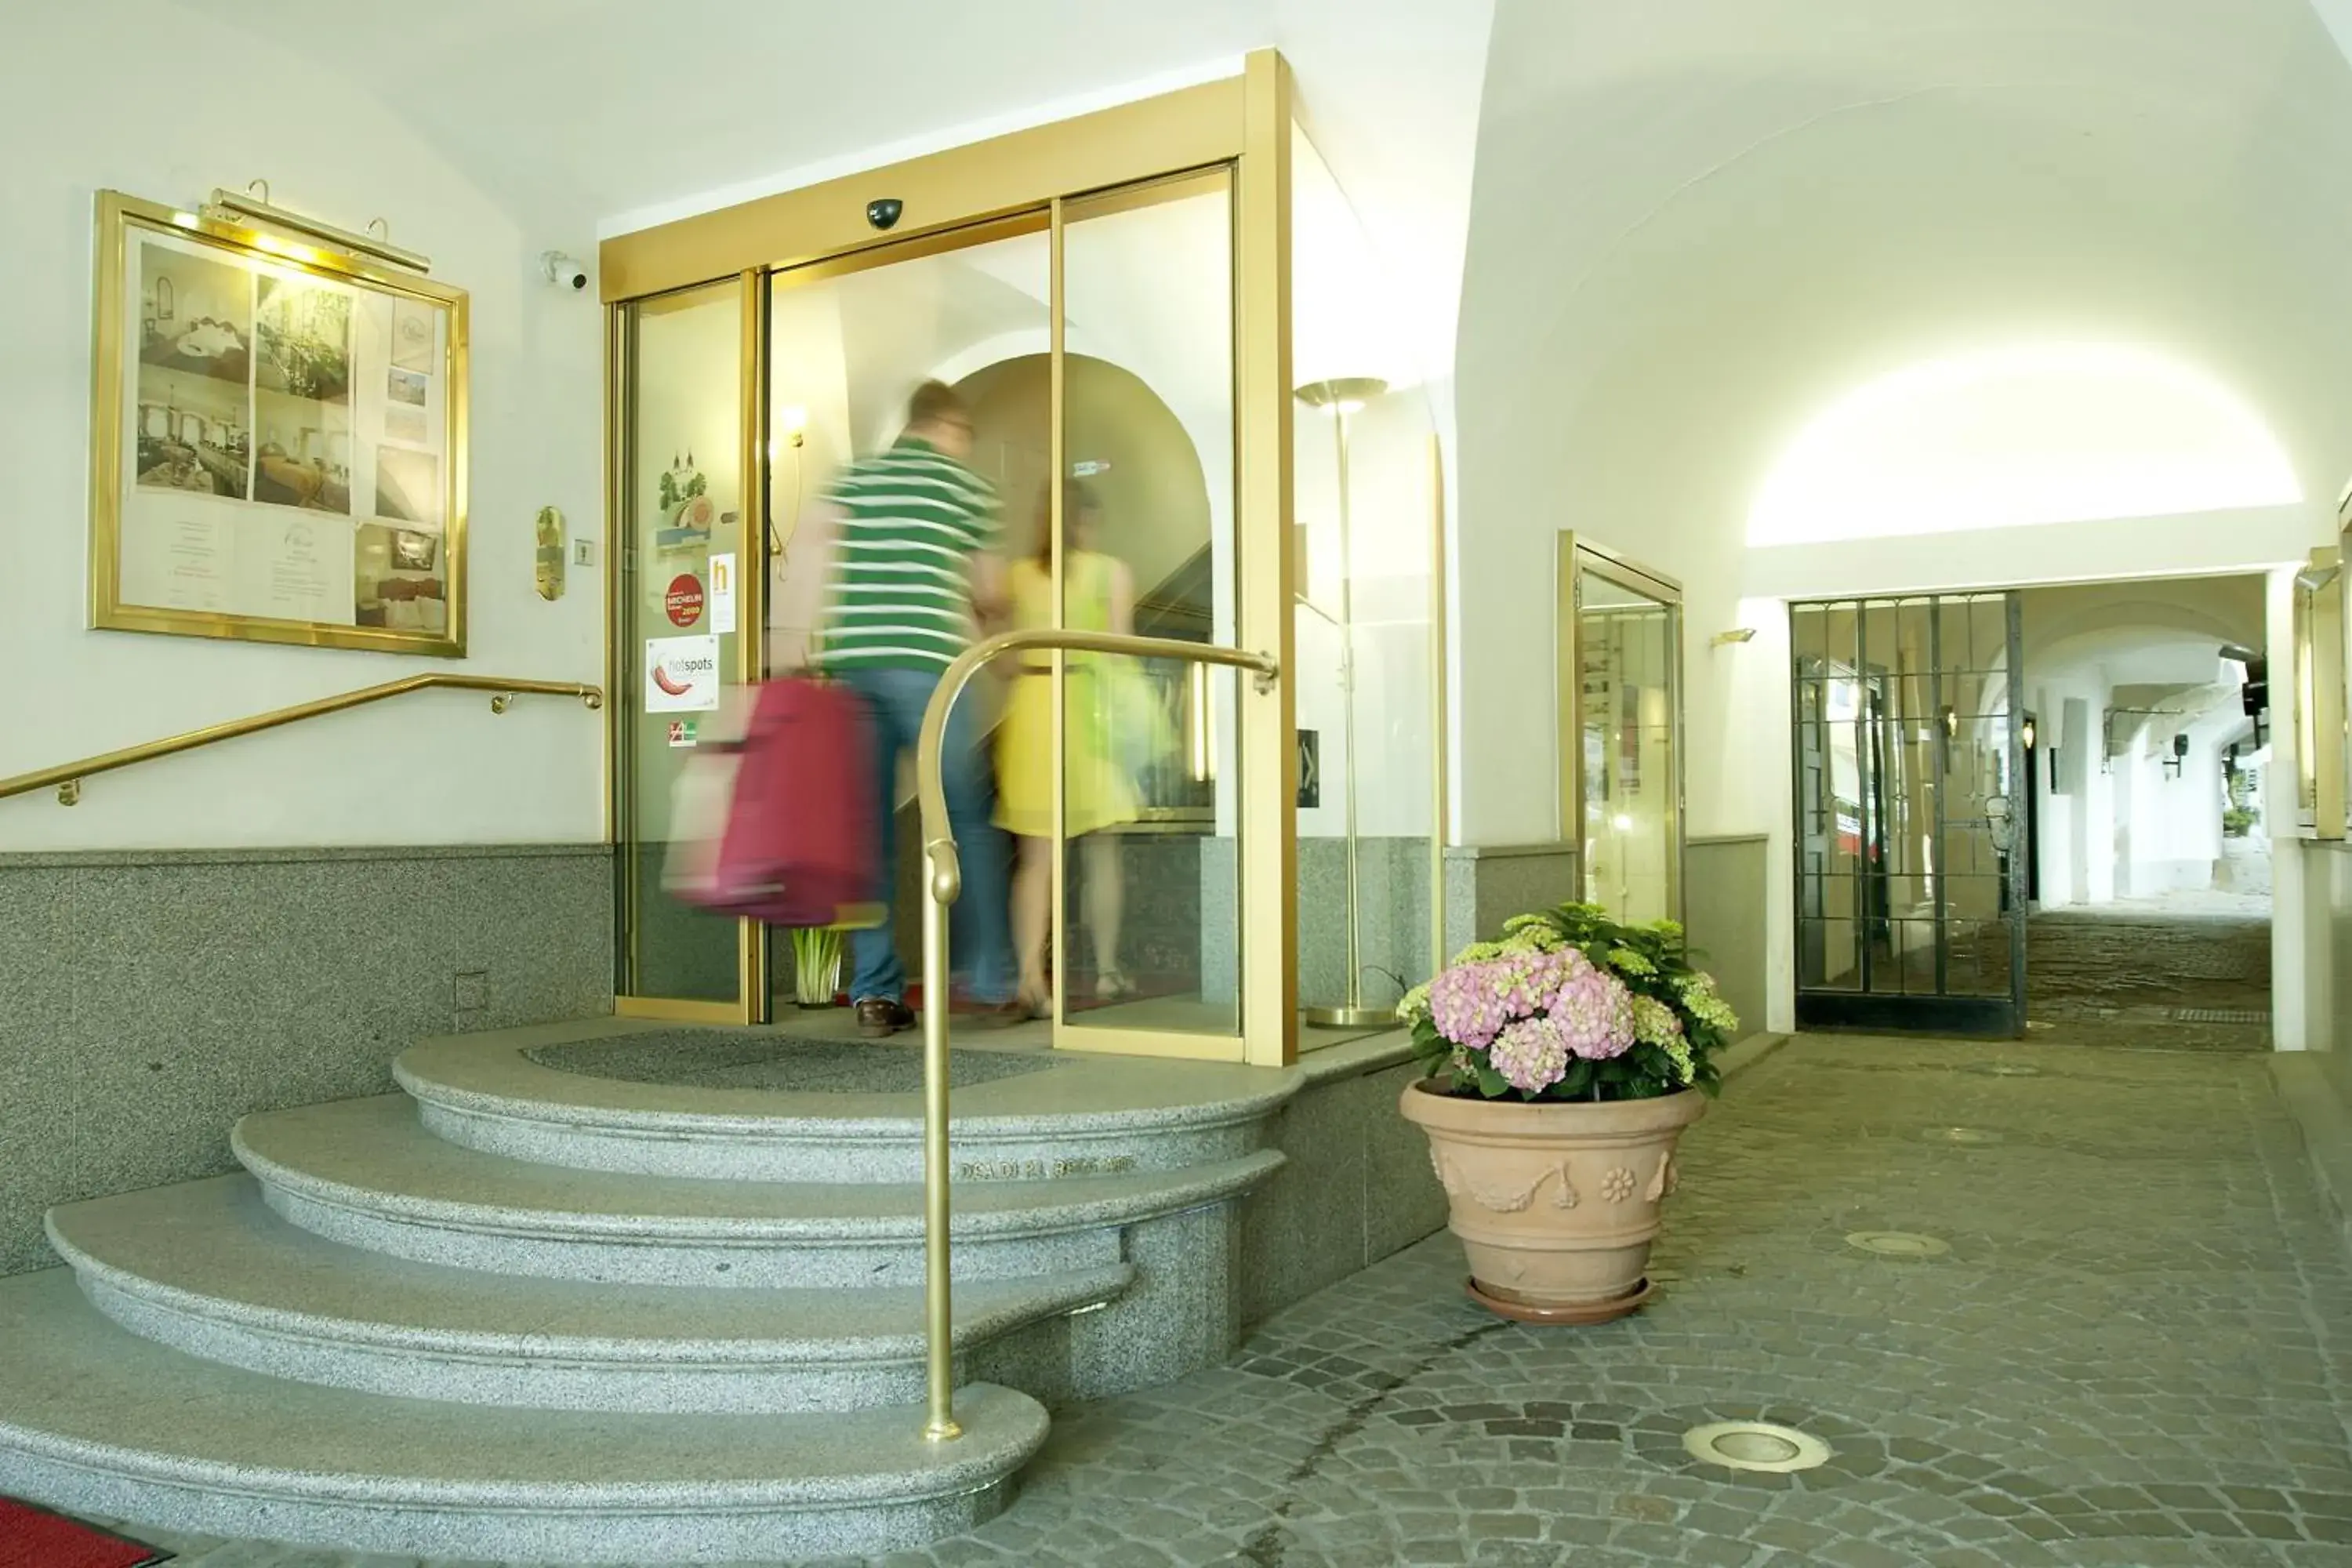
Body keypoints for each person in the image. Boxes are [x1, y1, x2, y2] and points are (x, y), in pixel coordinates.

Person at [811, 381, 1022, 1037]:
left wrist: (795, 654)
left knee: (868, 835)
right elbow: (988, 591)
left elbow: (813, 560)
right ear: (950, 426)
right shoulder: (962, 488)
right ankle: (992, 981)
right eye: (963, 435)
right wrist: (1004, 645)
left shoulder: (857, 480)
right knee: (965, 820)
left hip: (854, 673)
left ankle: (874, 994)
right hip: (931, 673)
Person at [995, 479, 1148, 1014]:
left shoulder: (1018, 576)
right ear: (1086, 519)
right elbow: (1120, 652)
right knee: (1102, 848)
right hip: (1087, 705)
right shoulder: (1111, 572)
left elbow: (1002, 660)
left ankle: (1028, 978)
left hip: (1033, 707)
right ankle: (1107, 970)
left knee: (1035, 858)